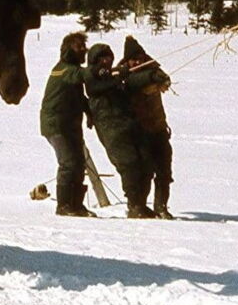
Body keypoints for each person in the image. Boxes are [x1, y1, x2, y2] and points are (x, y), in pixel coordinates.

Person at [83, 42, 156, 218]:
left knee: (147, 162)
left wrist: (152, 75)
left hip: (129, 124)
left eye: (109, 57)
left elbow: (132, 83)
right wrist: (117, 78)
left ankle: (141, 203)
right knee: (129, 164)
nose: (107, 61)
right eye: (103, 58)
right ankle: (134, 205)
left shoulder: (114, 75)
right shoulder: (91, 75)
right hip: (111, 129)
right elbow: (94, 88)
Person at [39, 32, 96, 217]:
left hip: (69, 125)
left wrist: (88, 112)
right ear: (69, 49)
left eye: (84, 47)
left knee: (79, 163)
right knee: (68, 163)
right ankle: (63, 205)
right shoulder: (64, 69)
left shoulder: (71, 70)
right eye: (80, 47)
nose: (83, 50)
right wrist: (100, 70)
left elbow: (79, 96)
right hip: (55, 125)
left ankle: (76, 204)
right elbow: (81, 75)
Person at [120, 36, 174, 219]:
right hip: (139, 131)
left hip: (159, 128)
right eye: (133, 59)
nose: (137, 62)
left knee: (164, 171)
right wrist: (152, 78)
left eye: (140, 58)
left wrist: (163, 81)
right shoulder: (123, 75)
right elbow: (134, 82)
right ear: (127, 60)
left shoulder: (153, 69)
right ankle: (139, 206)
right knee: (145, 170)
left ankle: (161, 207)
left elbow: (163, 78)